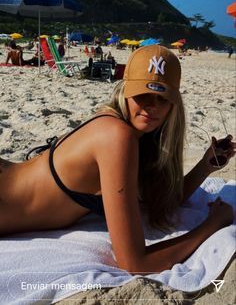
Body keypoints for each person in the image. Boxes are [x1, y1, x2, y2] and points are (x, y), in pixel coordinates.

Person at [0, 45, 235, 273]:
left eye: (162, 98)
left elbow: (160, 201)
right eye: (142, 93)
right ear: (125, 91)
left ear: (174, 105)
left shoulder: (131, 135)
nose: (151, 106)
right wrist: (213, 224)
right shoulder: (117, 137)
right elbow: (135, 263)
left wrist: (205, 167)